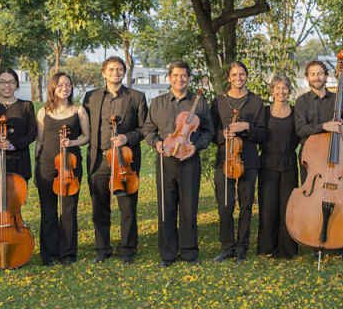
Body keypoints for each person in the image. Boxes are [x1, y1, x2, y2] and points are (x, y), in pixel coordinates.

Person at [143, 60, 214, 268]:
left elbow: (208, 131)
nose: (179, 79)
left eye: (183, 76)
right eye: (175, 75)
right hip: (166, 161)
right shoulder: (158, 103)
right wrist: (156, 144)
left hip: (189, 161)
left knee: (189, 208)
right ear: (169, 78)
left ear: (189, 78)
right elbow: (148, 129)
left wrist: (196, 146)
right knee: (166, 207)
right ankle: (168, 254)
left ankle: (189, 253)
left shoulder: (199, 103)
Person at [82, 56, 148, 264]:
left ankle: (127, 249)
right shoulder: (90, 97)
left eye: (119, 69)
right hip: (99, 158)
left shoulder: (136, 97)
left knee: (127, 207)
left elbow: (145, 128)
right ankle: (102, 249)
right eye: (111, 70)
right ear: (103, 73)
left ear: (124, 72)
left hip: (124, 159)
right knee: (99, 207)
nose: (115, 73)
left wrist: (127, 138)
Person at [293, 59, 343, 258]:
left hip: (337, 161)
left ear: (326, 76)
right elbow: (300, 129)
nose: (317, 77)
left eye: (320, 73)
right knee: (313, 202)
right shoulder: (302, 102)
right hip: (312, 160)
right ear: (307, 78)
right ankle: (315, 242)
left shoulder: (337, 100)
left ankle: (340, 243)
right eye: (313, 74)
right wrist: (324, 126)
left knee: (339, 200)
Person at [210, 62, 266, 263]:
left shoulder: (256, 102)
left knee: (246, 205)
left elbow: (263, 134)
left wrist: (248, 127)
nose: (238, 78)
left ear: (247, 77)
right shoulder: (219, 102)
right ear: (229, 78)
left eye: (242, 74)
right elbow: (210, 133)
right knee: (225, 205)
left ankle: (242, 248)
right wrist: (222, 134)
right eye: (234, 75)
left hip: (249, 160)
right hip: (224, 160)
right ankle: (227, 248)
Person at [34, 72, 90, 266]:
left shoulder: (79, 111)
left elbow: (87, 137)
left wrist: (72, 141)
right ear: (53, 89)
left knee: (69, 208)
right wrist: (36, 166)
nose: (64, 88)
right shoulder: (43, 112)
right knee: (48, 209)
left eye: (68, 84)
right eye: (60, 85)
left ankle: (67, 254)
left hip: (71, 165)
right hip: (47, 164)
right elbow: (39, 143)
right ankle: (49, 254)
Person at [257, 75, 300, 259]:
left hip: (289, 162)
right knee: (268, 206)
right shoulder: (264, 112)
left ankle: (287, 249)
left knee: (288, 206)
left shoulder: (296, 112)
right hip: (267, 163)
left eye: (284, 88)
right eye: (277, 88)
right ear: (272, 90)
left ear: (289, 91)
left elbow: (299, 134)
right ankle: (268, 247)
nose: (281, 91)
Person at [0, 69, 37, 188]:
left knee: (15, 204)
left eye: (11, 82)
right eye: (2, 82)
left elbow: (32, 134)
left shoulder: (26, 106)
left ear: (17, 85)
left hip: (19, 163)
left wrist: (13, 145)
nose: (7, 86)